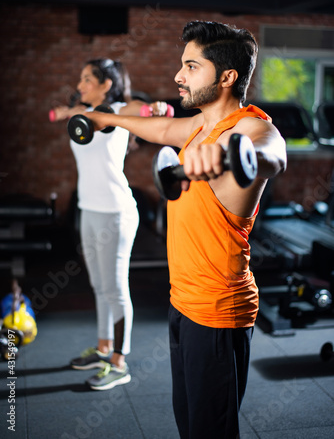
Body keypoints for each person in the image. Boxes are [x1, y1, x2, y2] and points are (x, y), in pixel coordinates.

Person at [78, 22, 287, 437]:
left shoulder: (249, 128)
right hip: (184, 302)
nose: (179, 76)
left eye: (191, 66)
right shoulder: (197, 127)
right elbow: (157, 129)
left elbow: (272, 152)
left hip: (218, 313)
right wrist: (103, 117)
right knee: (188, 423)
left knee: (210, 431)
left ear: (227, 77)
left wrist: (231, 155)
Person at [52, 58, 169, 391]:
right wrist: (67, 112)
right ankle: (103, 348)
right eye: (81, 78)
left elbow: (140, 107)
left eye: (87, 79)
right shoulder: (82, 110)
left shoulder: (119, 108)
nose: (80, 84)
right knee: (99, 285)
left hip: (117, 212)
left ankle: (119, 363)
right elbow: (76, 112)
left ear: (107, 83)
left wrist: (153, 108)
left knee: (116, 288)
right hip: (87, 209)